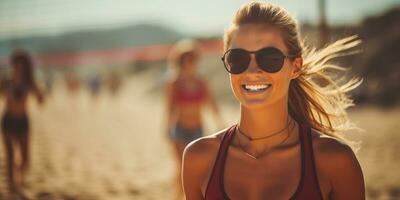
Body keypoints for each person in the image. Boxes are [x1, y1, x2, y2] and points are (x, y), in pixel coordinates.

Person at [182, 2, 365, 200]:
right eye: (238, 58)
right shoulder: (198, 158)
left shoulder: (335, 161)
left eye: (270, 58)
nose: (252, 71)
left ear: (295, 67)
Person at [165, 39, 223, 199]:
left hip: (198, 130)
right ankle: (177, 196)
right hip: (179, 130)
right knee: (181, 167)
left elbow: (212, 104)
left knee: (195, 170)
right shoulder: (174, 83)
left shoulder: (201, 82)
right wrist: (167, 129)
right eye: (186, 59)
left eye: (193, 59)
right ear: (180, 61)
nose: (190, 63)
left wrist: (219, 122)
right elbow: (170, 108)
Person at [0, 49, 44, 193]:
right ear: (13, 65)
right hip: (8, 120)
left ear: (25, 66)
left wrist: (40, 95)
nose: (18, 67)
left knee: (25, 158)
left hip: (23, 121)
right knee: (10, 155)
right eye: (16, 64)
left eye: (21, 64)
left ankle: (20, 178)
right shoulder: (7, 80)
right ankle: (12, 186)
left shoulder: (29, 82)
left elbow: (40, 99)